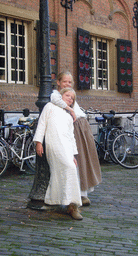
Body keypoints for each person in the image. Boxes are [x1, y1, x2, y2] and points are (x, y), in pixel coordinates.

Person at [51, 71, 102, 206]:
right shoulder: (57, 95)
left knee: (85, 160)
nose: (67, 84)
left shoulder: (71, 94)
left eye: (70, 82)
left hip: (82, 127)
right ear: (58, 82)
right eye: (64, 82)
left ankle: (83, 192)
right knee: (76, 160)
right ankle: (77, 194)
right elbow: (54, 100)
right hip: (72, 129)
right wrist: (71, 110)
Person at [33, 88, 83, 220]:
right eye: (67, 95)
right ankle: (71, 205)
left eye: (72, 98)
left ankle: (70, 205)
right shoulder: (49, 106)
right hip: (53, 145)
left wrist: (73, 154)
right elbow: (42, 124)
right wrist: (38, 142)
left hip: (66, 147)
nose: (70, 99)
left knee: (70, 168)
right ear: (61, 96)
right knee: (67, 169)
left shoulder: (68, 115)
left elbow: (71, 136)